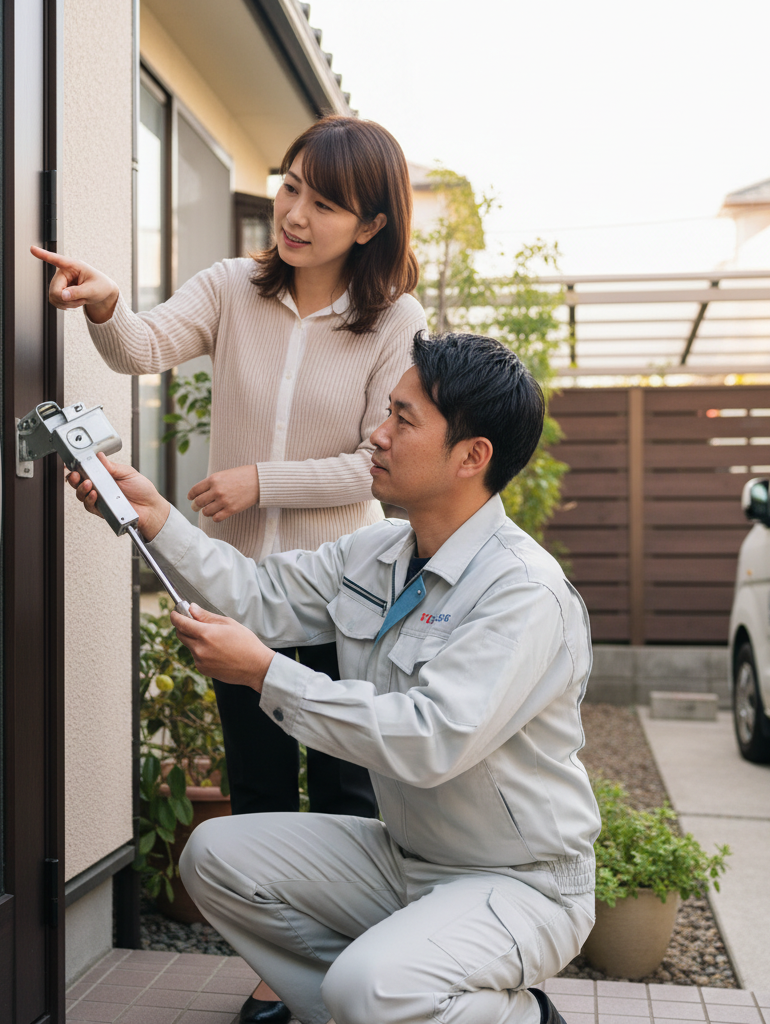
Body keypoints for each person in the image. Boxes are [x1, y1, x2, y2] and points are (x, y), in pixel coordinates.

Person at [68, 332, 599, 1024]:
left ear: (473, 456)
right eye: (388, 413)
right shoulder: (378, 551)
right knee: (215, 857)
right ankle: (358, 1009)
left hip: (520, 883)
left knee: (370, 988)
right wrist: (158, 518)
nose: (376, 436)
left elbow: (429, 740)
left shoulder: (523, 594)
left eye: (403, 420)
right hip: (406, 859)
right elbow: (257, 594)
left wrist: (266, 674)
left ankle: (520, 1018)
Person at [34, 114, 426, 1022]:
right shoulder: (232, 287)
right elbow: (143, 347)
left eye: (323, 203)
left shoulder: (393, 320)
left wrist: (261, 480)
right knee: (255, 782)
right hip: (237, 587)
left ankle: (356, 967)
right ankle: (276, 966)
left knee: (343, 785)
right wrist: (105, 302)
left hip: (342, 592)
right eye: (290, 186)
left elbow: (378, 463)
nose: (294, 214)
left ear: (368, 225)